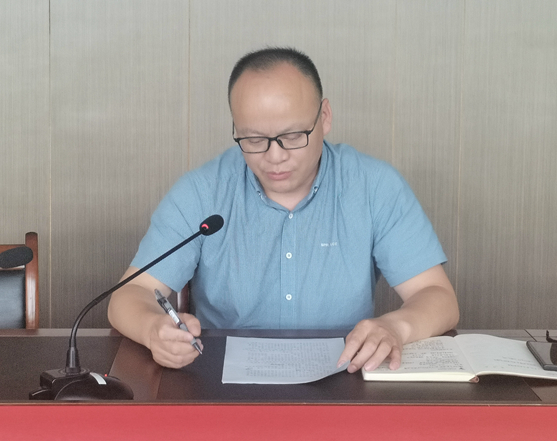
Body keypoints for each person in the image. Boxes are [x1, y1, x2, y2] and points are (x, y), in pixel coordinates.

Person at [108, 47, 459, 374]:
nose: (274, 157)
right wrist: (153, 329)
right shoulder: (202, 191)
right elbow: (129, 295)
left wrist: (395, 327)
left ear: (324, 117)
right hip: (222, 384)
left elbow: (437, 297)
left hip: (345, 378)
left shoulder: (374, 187)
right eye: (254, 139)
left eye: (292, 137)